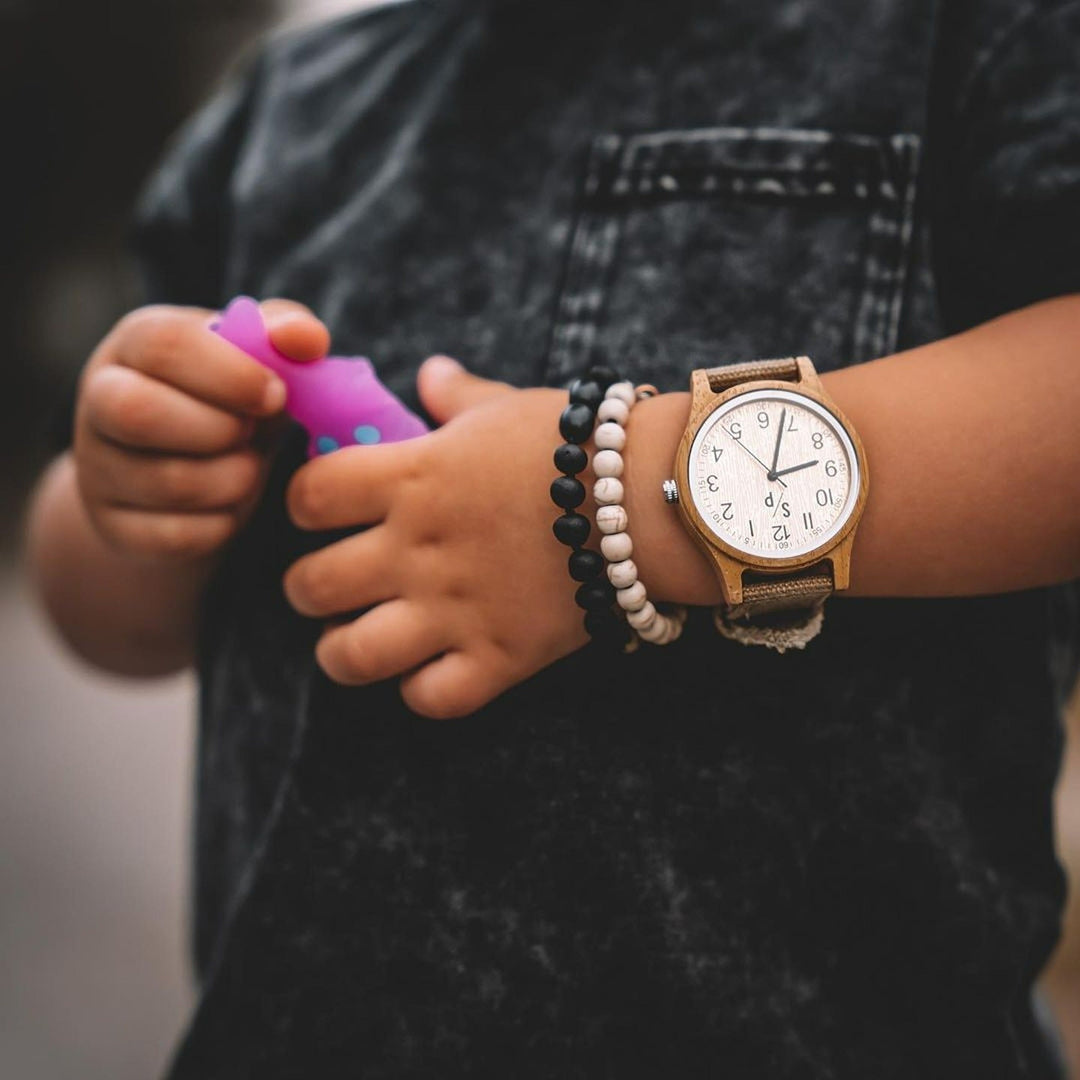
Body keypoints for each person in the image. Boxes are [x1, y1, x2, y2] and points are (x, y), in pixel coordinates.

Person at [23, 0, 1080, 1075]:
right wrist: (130, 500)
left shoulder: (979, 35)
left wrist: (616, 496)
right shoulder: (280, 116)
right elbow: (104, 619)